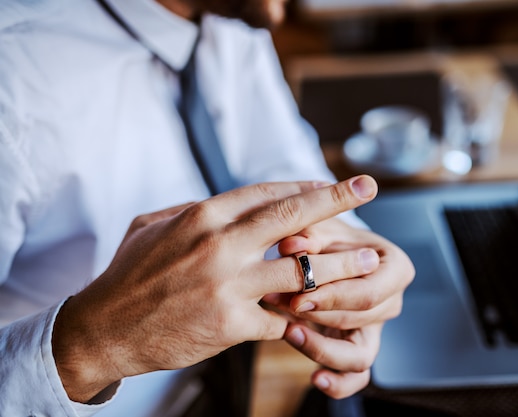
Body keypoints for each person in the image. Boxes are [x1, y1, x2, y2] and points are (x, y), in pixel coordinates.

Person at [0, 0, 415, 416]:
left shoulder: (234, 14)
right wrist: (93, 346)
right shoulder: (12, 76)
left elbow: (276, 157)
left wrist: (351, 260)